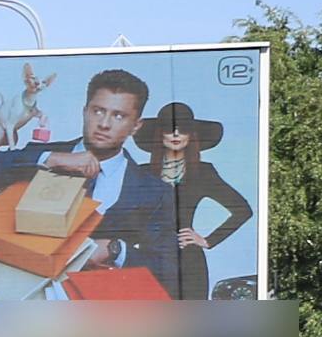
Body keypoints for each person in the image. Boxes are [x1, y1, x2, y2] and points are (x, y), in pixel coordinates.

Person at [0, 67, 151, 275]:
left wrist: (115, 250)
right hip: (22, 282)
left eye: (118, 116)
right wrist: (51, 158)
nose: (104, 124)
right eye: (98, 111)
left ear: (136, 126)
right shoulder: (43, 154)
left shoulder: (152, 190)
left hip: (98, 291)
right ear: (85, 111)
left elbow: (168, 266)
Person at [107, 101, 255, 299]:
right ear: (160, 134)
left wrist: (208, 240)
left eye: (183, 129)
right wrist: (123, 247)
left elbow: (243, 210)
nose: (176, 134)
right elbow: (121, 217)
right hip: (148, 258)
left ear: (191, 135)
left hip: (188, 262)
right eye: (170, 128)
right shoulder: (141, 173)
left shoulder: (203, 172)